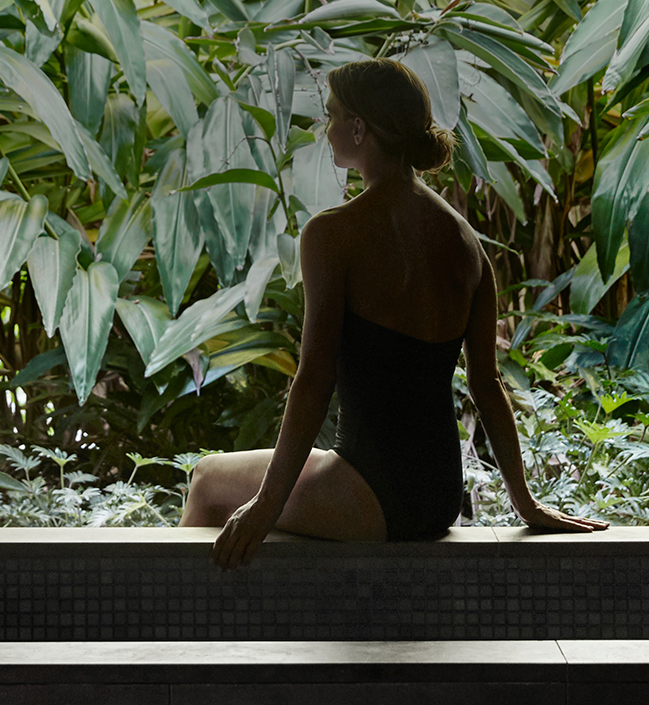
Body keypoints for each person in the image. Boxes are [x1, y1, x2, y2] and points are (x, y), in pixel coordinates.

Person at [182, 56, 606, 569]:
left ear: (359, 128)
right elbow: (487, 384)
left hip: (367, 492)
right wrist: (525, 502)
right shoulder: (466, 242)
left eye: (333, 114)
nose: (326, 126)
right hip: (438, 496)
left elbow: (314, 380)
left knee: (206, 478)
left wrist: (264, 506)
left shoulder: (332, 235)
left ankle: (183, 636)